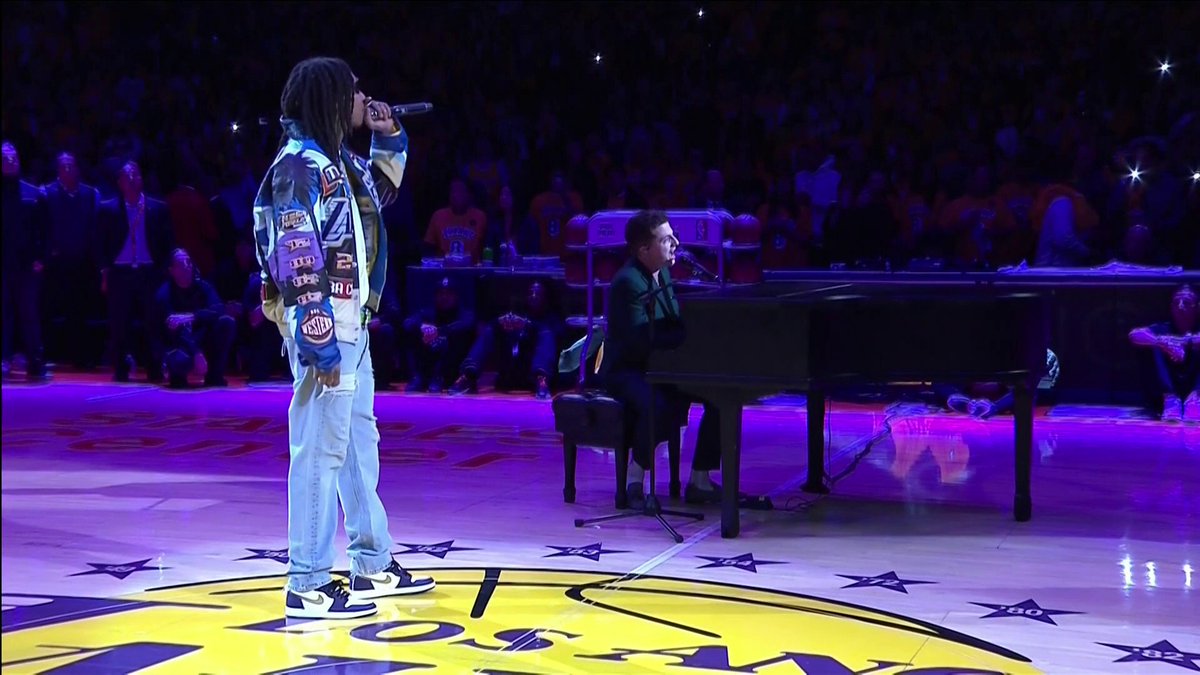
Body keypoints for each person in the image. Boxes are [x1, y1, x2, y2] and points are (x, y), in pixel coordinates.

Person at [253, 56, 434, 620]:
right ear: (331, 99)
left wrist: (389, 134)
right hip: (327, 326)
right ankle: (307, 581)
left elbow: (379, 195)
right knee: (319, 448)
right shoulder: (297, 167)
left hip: (350, 323)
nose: (364, 98)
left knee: (356, 442)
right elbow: (296, 255)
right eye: (355, 92)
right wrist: (318, 339)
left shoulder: (335, 163)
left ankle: (371, 561)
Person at [599, 210, 724, 506]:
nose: (676, 243)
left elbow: (672, 324)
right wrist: (684, 341)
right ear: (644, 249)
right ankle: (634, 480)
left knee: (721, 396)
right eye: (667, 240)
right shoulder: (628, 281)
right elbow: (640, 340)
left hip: (660, 366)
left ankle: (700, 479)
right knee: (658, 405)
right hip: (627, 370)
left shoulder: (663, 272)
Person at [451, 280, 562, 398]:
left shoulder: (553, 319)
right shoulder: (520, 314)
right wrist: (500, 323)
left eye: (538, 294)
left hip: (534, 374)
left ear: (546, 298)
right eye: (531, 293)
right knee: (490, 329)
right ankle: (468, 375)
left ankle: (542, 381)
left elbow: (557, 333)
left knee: (546, 334)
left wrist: (527, 325)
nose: (533, 296)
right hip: (511, 370)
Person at [154, 249, 235, 388]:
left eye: (188, 262)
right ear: (172, 270)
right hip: (178, 343)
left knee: (226, 323)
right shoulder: (164, 294)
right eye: (181, 263)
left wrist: (192, 317)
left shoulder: (202, 286)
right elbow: (173, 329)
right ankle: (177, 375)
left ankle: (215, 375)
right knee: (180, 362)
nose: (187, 266)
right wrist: (196, 352)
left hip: (201, 336)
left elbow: (219, 309)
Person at [1, 141, 48, 380]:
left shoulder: (33, 193)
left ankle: (35, 359)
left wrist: (41, 258)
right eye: (5, 158)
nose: (10, 160)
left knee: (29, 312)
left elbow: (45, 229)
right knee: (3, 313)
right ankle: (3, 358)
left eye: (14, 157)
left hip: (27, 265)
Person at [1129, 285, 1200, 422]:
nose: (1180, 306)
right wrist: (1163, 343)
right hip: (1167, 391)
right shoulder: (1163, 328)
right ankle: (1170, 399)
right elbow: (1134, 334)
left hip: (1194, 388)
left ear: (1197, 307)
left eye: (1186, 302)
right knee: (1154, 341)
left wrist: (1184, 341)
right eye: (1176, 302)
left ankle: (1195, 399)